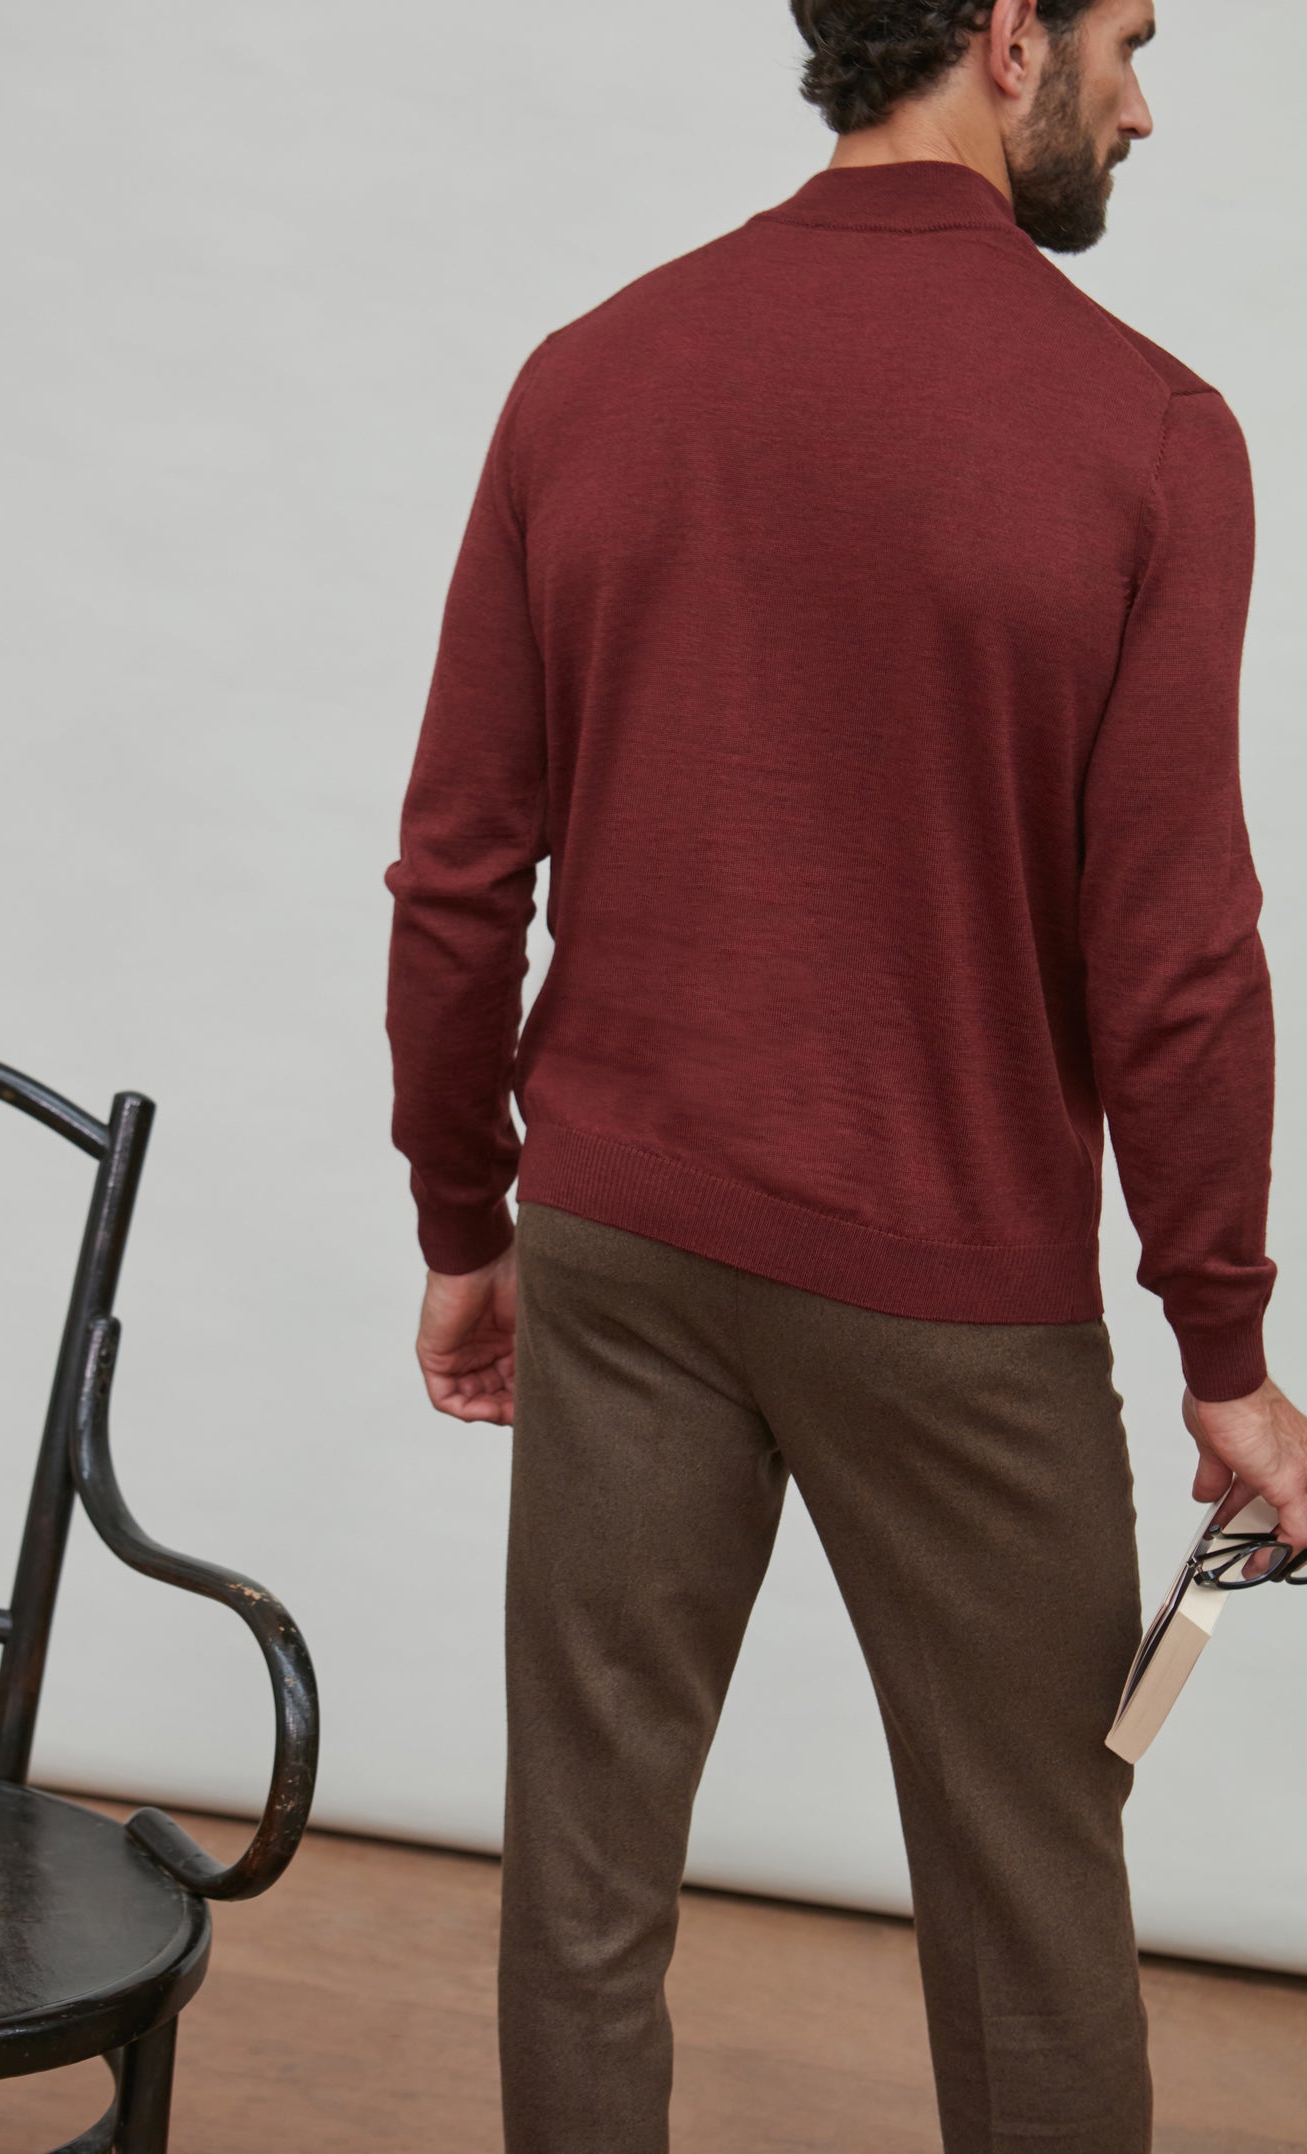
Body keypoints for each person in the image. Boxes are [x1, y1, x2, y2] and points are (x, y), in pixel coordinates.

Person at [383, 2, 1307, 2146]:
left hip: (616, 1236)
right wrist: (1227, 1350)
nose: (1143, 100)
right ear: (1005, 35)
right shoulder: (1148, 433)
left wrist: (463, 1220)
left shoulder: (588, 374)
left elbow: (454, 872)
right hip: (953, 1298)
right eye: (1125, 41)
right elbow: (1173, 956)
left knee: (586, 1887)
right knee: (1031, 1911)